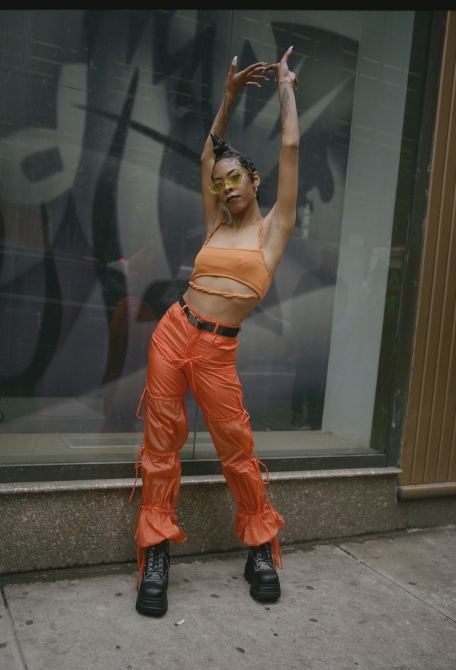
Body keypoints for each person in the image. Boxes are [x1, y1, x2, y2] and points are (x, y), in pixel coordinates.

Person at [132, 46, 300, 616]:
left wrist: (285, 89)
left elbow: (290, 148)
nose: (226, 187)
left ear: (254, 180)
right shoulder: (214, 224)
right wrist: (227, 98)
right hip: (173, 332)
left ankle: (260, 549)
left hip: (216, 351)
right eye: (218, 183)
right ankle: (156, 552)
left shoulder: (274, 230)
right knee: (160, 447)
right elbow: (208, 153)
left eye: (235, 178)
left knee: (236, 449)